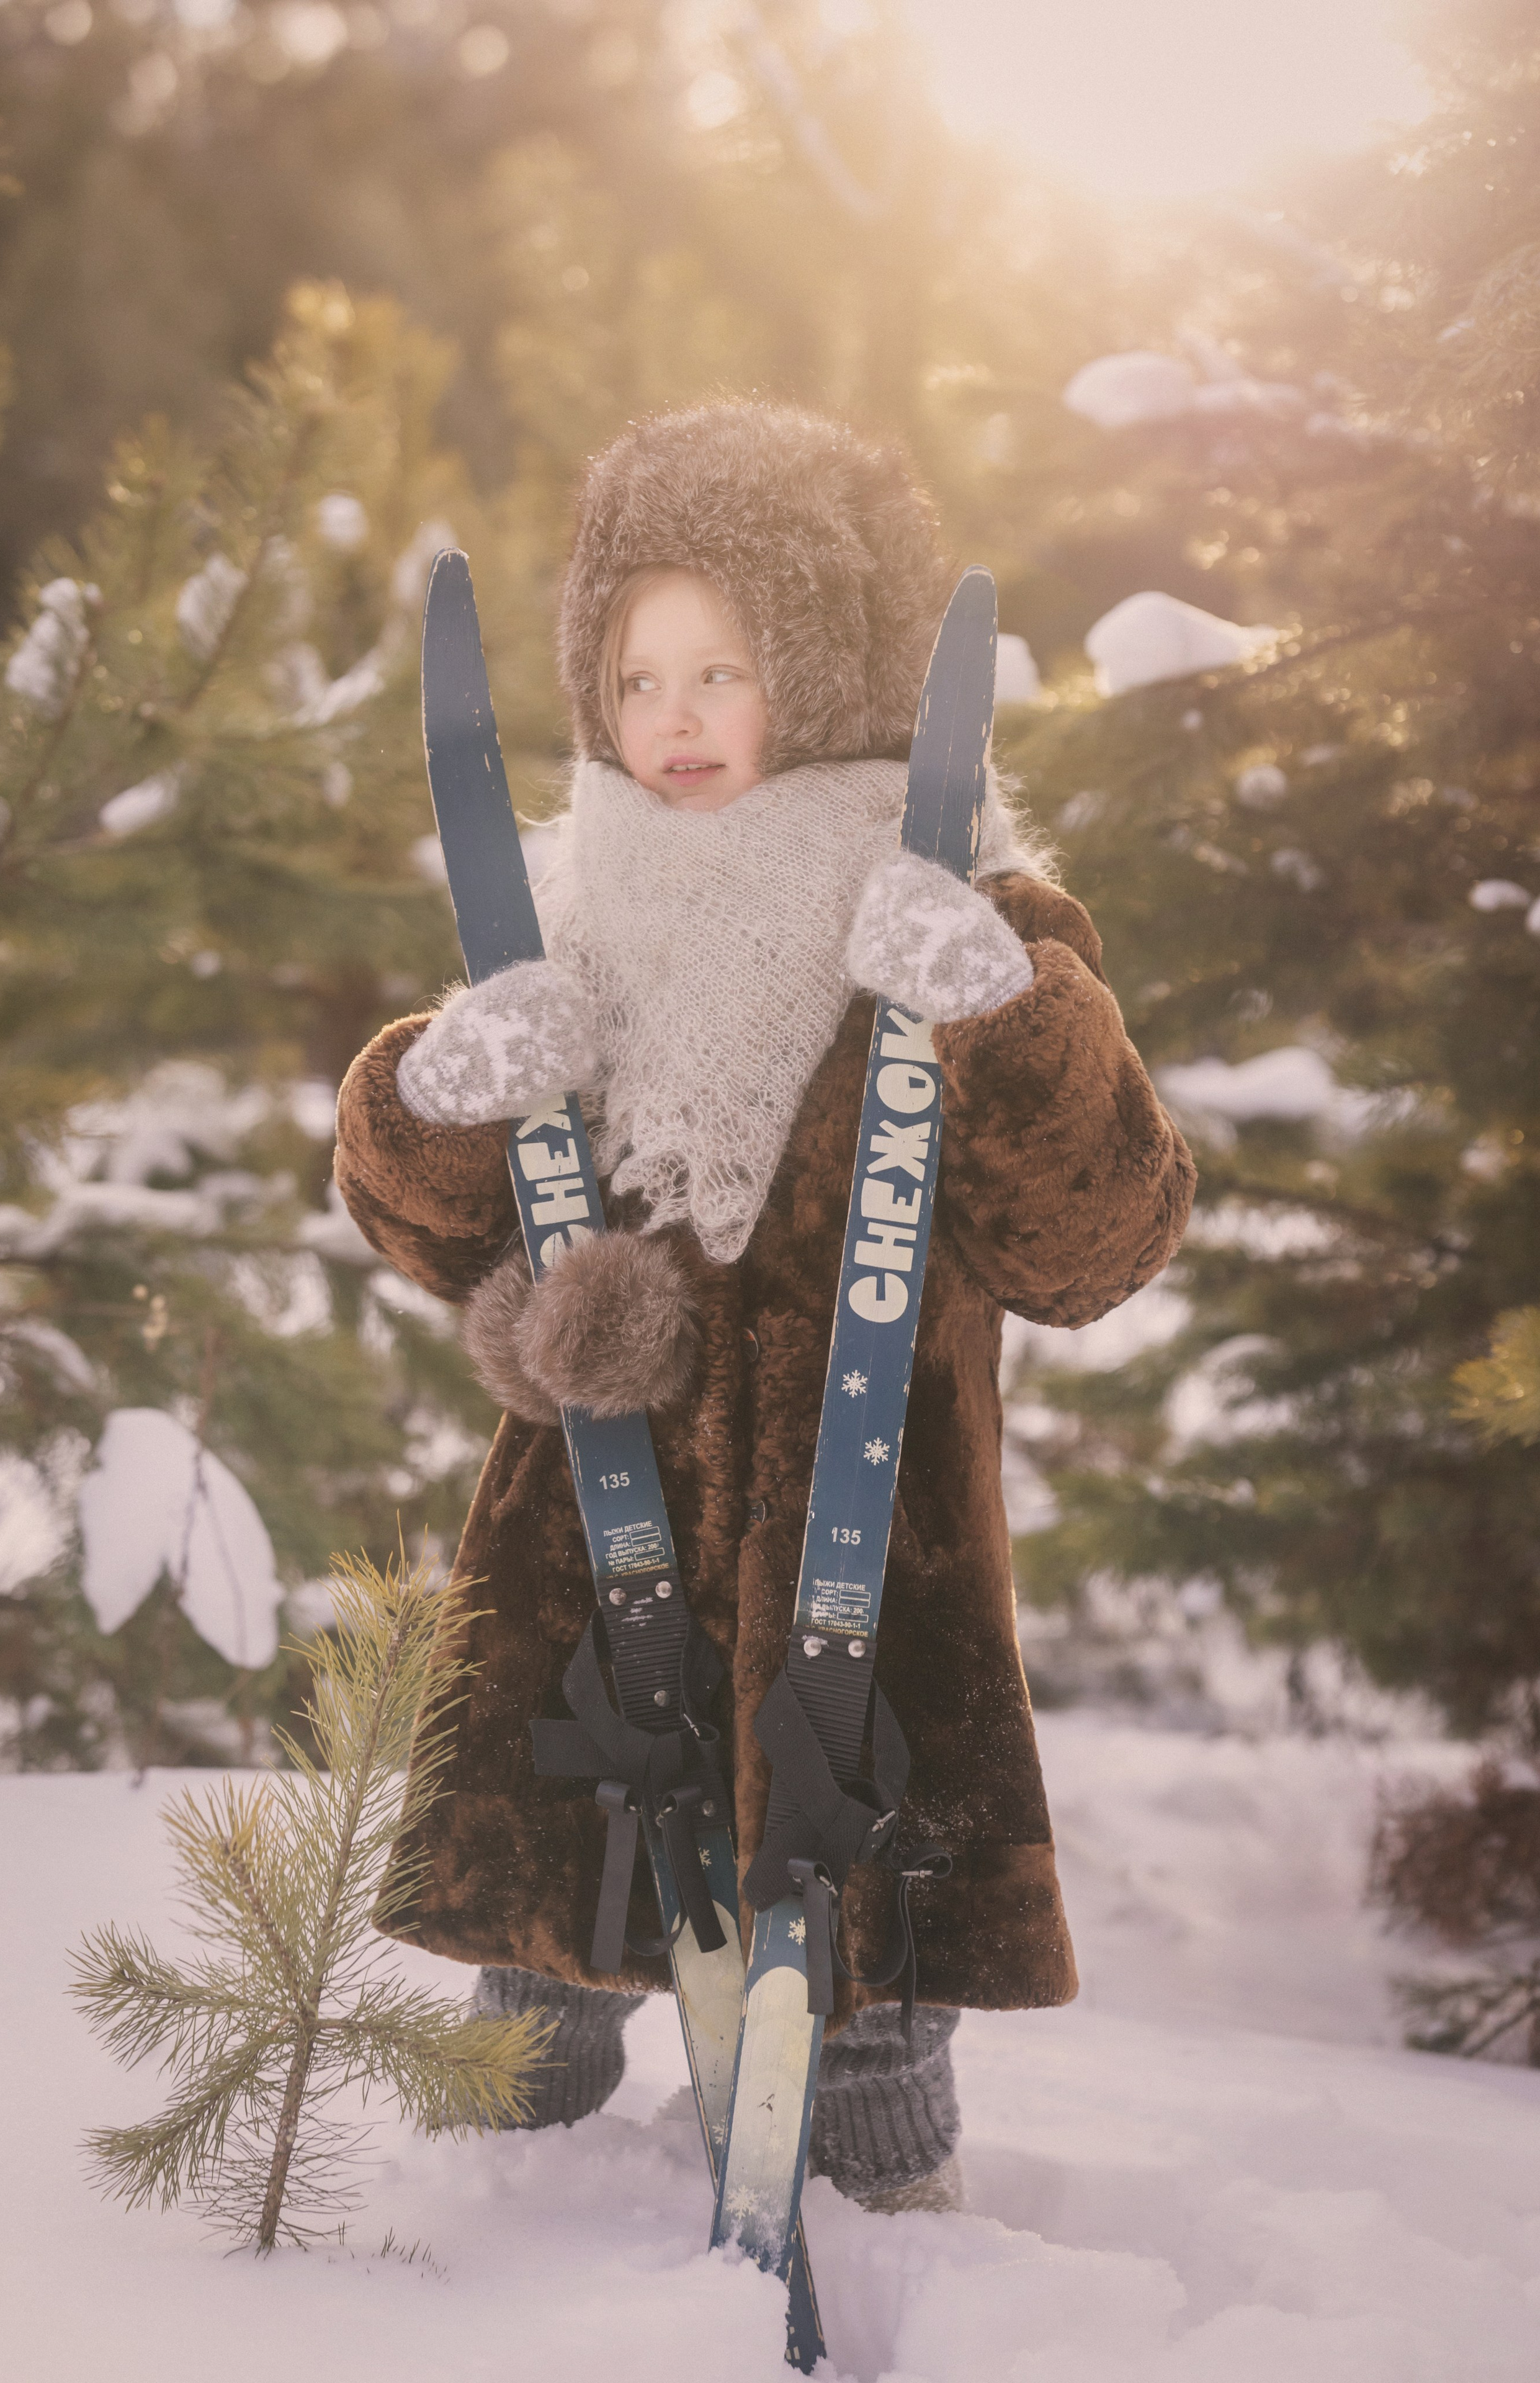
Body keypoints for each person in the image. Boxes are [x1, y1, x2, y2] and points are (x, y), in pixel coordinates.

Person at [334, 401, 1196, 2214]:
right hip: (596, 1558)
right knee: (542, 1956)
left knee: (862, 1978)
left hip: (869, 1568)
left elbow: (1094, 1240)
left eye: (724, 666)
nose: (670, 715)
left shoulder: (967, 910)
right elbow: (443, 1235)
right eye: (634, 672)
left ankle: (893, 2244)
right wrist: (437, 1100)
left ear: (830, 664)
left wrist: (995, 1009)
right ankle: (507, 2237)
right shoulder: (568, 927)